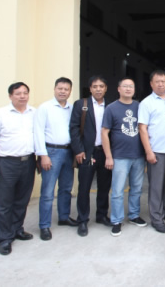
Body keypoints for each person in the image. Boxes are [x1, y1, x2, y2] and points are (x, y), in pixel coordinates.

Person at [0, 82, 36, 255]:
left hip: (28, 161)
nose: (22, 96)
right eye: (18, 93)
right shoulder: (0, 114)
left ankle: (17, 229)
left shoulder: (34, 113)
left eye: (25, 93)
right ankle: (4, 238)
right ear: (10, 96)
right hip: (7, 163)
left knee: (22, 200)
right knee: (4, 203)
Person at [101, 77, 148, 237]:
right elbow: (104, 133)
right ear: (119, 89)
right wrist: (108, 156)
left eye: (131, 86)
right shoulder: (111, 108)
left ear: (134, 90)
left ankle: (134, 215)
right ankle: (116, 220)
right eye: (125, 86)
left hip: (138, 155)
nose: (128, 89)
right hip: (119, 156)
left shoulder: (140, 106)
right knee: (118, 190)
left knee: (136, 188)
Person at [34, 77, 77, 242]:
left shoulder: (71, 108)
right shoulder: (45, 107)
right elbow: (38, 131)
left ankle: (64, 217)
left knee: (66, 188)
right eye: (60, 88)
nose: (63, 92)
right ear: (54, 89)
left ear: (70, 91)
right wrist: (43, 155)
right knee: (47, 191)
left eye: (66, 89)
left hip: (68, 152)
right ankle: (44, 225)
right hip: (51, 152)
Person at [69, 75, 112, 237]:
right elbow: (74, 128)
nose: (98, 89)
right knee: (84, 187)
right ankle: (82, 219)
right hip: (87, 152)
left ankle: (101, 215)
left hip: (105, 152)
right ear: (90, 89)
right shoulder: (81, 105)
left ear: (106, 88)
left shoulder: (111, 105)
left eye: (101, 86)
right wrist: (79, 150)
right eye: (95, 86)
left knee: (104, 186)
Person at [138, 70, 165, 233]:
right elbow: (142, 128)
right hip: (157, 151)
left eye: (163, 81)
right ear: (151, 84)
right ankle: (156, 218)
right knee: (156, 186)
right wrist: (149, 151)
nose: (160, 84)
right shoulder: (146, 103)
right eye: (157, 81)